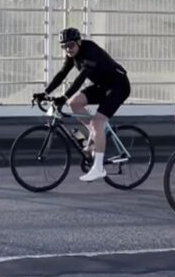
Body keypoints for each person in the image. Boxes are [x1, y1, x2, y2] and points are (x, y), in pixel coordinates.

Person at [33, 27, 130, 182]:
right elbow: (61, 74)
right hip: (103, 86)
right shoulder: (72, 55)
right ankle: (95, 135)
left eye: (70, 45)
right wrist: (45, 93)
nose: (67, 49)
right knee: (75, 103)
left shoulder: (90, 50)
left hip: (118, 86)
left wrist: (63, 97)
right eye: (63, 46)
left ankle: (99, 168)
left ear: (79, 42)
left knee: (98, 122)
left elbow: (80, 79)